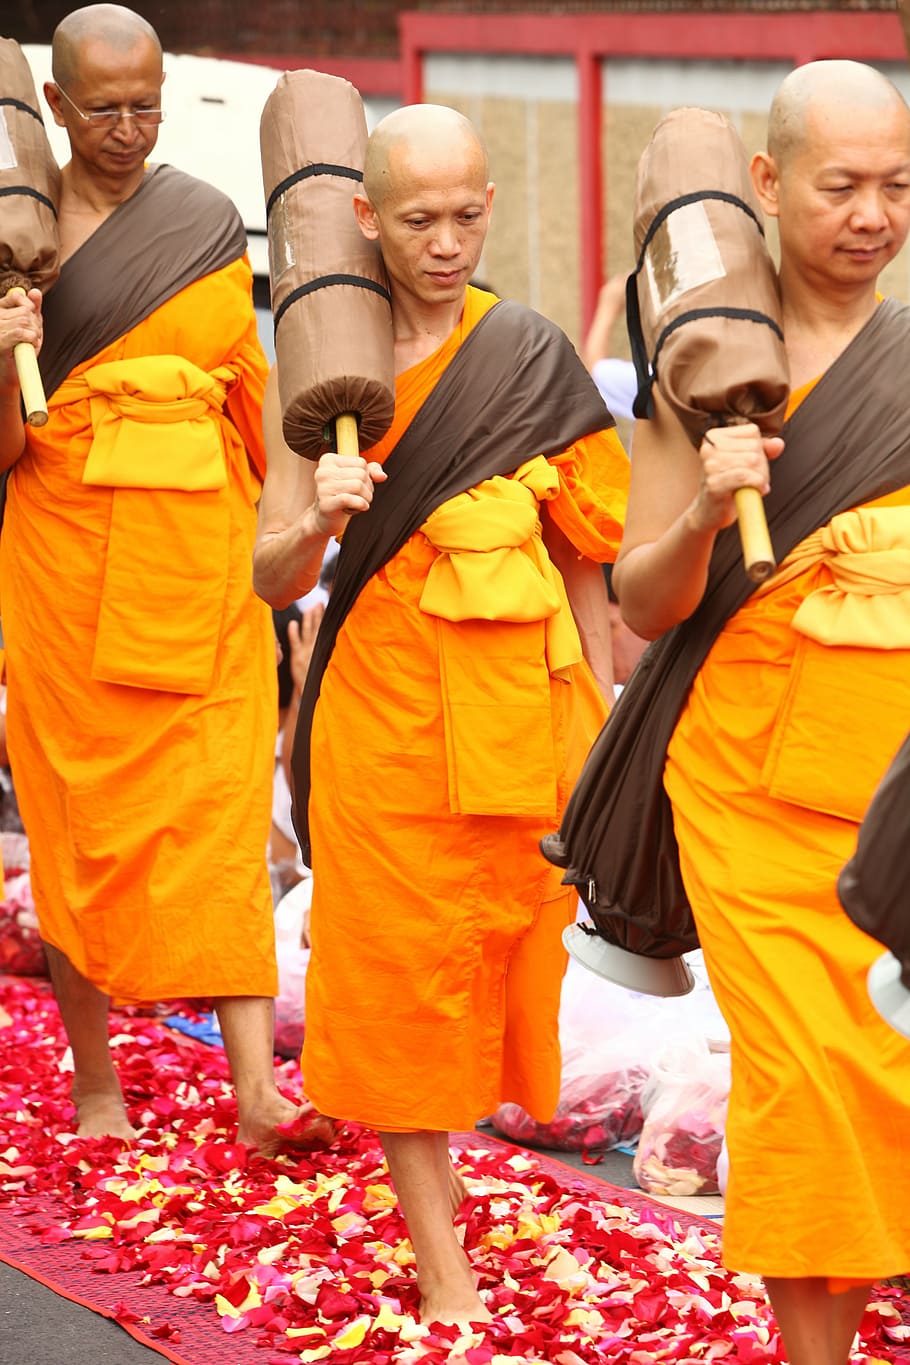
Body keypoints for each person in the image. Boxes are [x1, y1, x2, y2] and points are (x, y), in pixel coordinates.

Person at [253, 103, 630, 1327]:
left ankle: (462, 1191)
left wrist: (602, 707)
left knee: (498, 956)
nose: (450, 240)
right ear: (365, 215)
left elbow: (585, 554)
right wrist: (316, 513)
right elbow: (267, 575)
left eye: (470, 214)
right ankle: (441, 1260)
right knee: (399, 978)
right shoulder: (321, 362)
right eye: (419, 219)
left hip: (524, 724)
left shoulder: (524, 351)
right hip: (384, 728)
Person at [611, 60, 910, 1365]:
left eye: (896, 185)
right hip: (748, 789)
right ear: (767, 185)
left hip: (893, 782)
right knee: (802, 1081)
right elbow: (639, 597)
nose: (871, 214)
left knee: (885, 1079)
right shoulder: (707, 352)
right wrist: (698, 501)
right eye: (839, 186)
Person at [0, 4, 324, 1154]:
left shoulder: (197, 217)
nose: (131, 130)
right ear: (54, 105)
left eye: (148, 106)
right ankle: (97, 1082)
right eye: (106, 110)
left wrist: (291, 532)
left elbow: (256, 388)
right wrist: (7, 345)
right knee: (78, 820)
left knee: (222, 823)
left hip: (201, 561)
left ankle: (252, 1093)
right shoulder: (13, 238)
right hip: (66, 569)